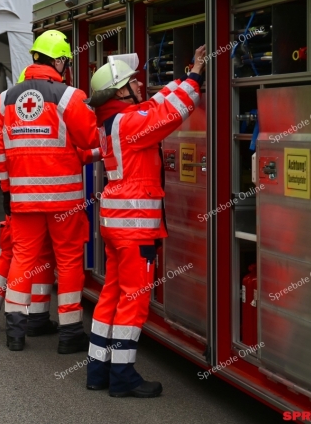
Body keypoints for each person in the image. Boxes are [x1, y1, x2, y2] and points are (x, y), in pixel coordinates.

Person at [84, 47, 205, 398]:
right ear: (121, 90)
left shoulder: (114, 121)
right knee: (133, 301)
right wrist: (196, 78)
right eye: (133, 82)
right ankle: (123, 376)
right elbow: (170, 113)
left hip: (117, 224)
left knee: (111, 295)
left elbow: (154, 106)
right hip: (135, 228)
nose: (140, 86)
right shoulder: (130, 123)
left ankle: (98, 370)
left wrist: (184, 76)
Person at [0, 30, 99, 352]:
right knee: (68, 261)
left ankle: (15, 333)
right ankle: (69, 333)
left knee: (22, 259)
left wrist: (7, 192)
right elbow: (91, 141)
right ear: (60, 61)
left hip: (23, 199)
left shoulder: (4, 99)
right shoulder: (70, 97)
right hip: (64, 200)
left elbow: (0, 151)